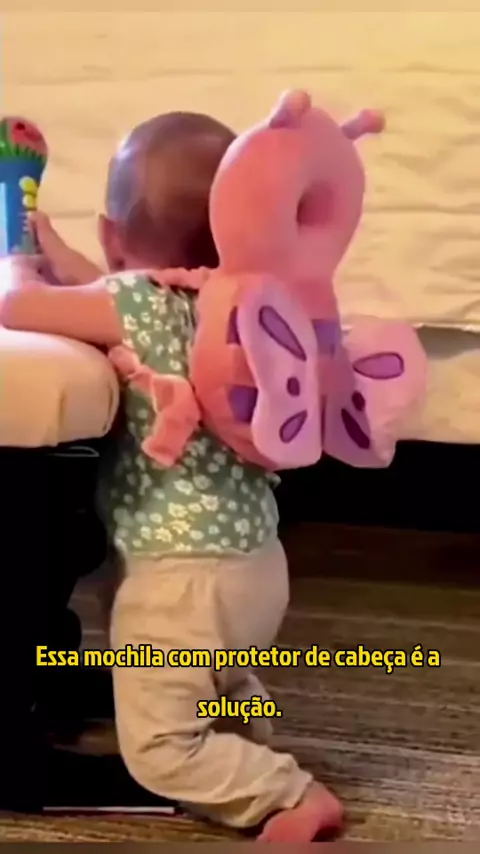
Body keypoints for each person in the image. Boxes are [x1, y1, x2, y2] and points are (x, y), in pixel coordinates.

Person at [0, 110, 343, 841]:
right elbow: (107, 287)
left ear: (112, 233)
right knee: (214, 679)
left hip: (178, 580)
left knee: (158, 745)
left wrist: (18, 256)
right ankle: (241, 741)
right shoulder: (237, 306)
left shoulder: (136, 306)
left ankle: (285, 795)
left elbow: (21, 305)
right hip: (256, 566)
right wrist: (54, 247)